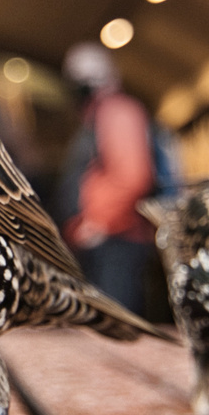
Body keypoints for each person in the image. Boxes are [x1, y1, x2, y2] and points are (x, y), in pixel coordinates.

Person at [55, 42, 156, 314]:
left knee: (116, 326)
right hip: (102, 241)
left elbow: (133, 175)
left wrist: (98, 223)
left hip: (116, 241)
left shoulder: (117, 111)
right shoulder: (98, 116)